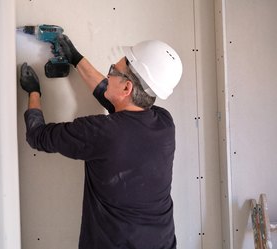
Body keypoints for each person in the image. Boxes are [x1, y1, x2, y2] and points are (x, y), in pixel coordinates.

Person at [20, 35, 183, 249]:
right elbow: (116, 102)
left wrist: (34, 92)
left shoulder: (99, 132)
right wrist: (76, 58)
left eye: (113, 71)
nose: (109, 73)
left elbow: (38, 136)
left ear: (127, 88)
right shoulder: (164, 124)